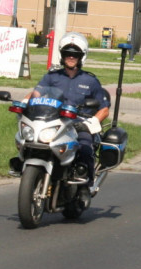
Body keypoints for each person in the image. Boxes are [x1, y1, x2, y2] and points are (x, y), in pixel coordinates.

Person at [29, 32, 110, 198]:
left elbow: (104, 108)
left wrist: (90, 123)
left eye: (75, 55)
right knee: (33, 142)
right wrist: (25, 104)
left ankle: (86, 185)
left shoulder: (90, 81)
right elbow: (36, 93)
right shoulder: (52, 77)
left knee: (85, 147)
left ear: (81, 57)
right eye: (67, 54)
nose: (71, 57)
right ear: (62, 55)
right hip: (54, 121)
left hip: (78, 124)